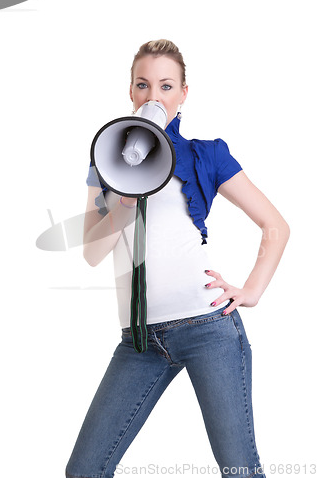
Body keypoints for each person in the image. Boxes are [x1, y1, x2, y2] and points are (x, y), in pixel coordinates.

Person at [65, 40, 290, 478]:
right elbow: (93, 252)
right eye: (143, 85)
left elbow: (276, 225)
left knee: (239, 470)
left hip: (208, 329)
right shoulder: (108, 158)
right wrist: (125, 200)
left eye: (166, 86)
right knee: (85, 470)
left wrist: (252, 291)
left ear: (183, 93)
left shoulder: (207, 154)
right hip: (140, 342)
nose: (154, 96)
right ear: (130, 92)